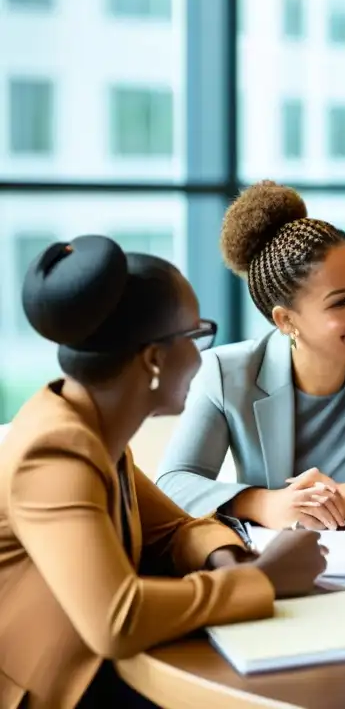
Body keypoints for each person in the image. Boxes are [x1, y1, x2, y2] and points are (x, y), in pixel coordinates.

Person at [0, 235, 326, 708]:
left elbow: (172, 528)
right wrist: (265, 581)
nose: (201, 357)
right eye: (195, 337)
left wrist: (226, 557)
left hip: (97, 667)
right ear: (153, 359)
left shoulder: (91, 426)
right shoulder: (54, 451)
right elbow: (118, 620)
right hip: (52, 688)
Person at [157, 181, 345, 529]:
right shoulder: (227, 373)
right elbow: (172, 484)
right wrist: (262, 503)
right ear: (286, 320)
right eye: (341, 302)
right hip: (279, 561)